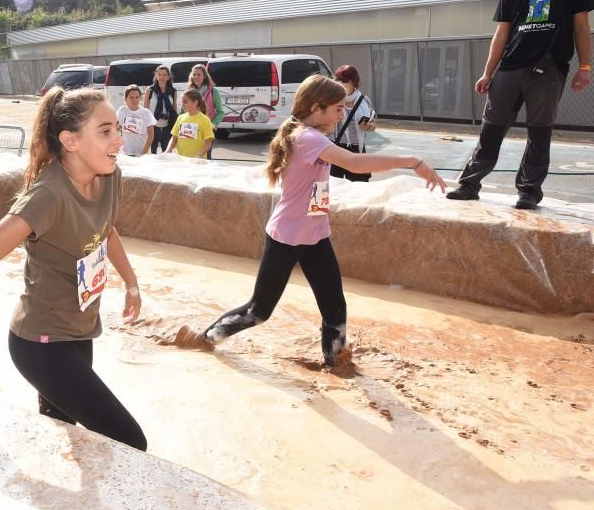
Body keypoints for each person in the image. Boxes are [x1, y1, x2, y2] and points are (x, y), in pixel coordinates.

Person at [0, 87, 147, 451]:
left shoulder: (109, 174)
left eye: (117, 128)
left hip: (79, 330)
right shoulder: (48, 195)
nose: (119, 139)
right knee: (131, 441)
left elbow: (105, 229)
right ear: (69, 141)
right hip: (41, 345)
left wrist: (131, 282)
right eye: (105, 131)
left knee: (67, 437)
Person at [175, 76, 446, 366]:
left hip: (316, 235)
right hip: (286, 238)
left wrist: (319, 215)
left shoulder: (312, 135)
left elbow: (319, 187)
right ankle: (205, 339)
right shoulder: (307, 137)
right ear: (317, 108)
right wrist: (413, 161)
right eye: (338, 109)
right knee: (259, 311)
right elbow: (354, 163)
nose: (342, 115)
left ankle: (336, 362)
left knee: (335, 308)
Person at [446, 0, 593, 210]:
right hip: (510, 68)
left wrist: (585, 66)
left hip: (548, 69)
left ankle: (528, 191)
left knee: (539, 133)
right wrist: (488, 72)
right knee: (491, 130)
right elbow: (501, 34)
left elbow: (581, 27)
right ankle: (469, 184)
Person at [329, 64, 377, 182]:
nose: (341, 84)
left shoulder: (363, 101)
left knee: (359, 187)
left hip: (356, 150)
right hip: (335, 148)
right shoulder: (332, 100)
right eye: (338, 80)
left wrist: (368, 126)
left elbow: (373, 124)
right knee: (331, 187)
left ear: (353, 82)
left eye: (344, 81)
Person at [187, 63, 224, 159]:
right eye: (194, 74)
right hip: (191, 129)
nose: (196, 77)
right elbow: (183, 112)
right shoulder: (189, 91)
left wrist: (213, 124)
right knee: (191, 156)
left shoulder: (213, 91)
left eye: (199, 74)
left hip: (207, 130)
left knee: (206, 158)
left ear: (204, 76)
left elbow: (220, 112)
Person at [167, 89, 214, 159]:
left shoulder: (205, 120)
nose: (182, 104)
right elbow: (174, 138)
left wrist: (199, 155)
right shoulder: (180, 118)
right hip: (180, 161)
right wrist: (168, 150)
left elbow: (208, 143)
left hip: (196, 163)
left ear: (195, 102)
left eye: (185, 102)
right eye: (182, 102)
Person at [143, 65, 177, 154]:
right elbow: (145, 110)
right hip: (153, 127)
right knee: (152, 154)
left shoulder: (173, 91)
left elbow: (174, 110)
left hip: (167, 127)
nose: (162, 77)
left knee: (166, 154)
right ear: (156, 76)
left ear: (168, 77)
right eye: (160, 74)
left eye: (165, 75)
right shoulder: (149, 90)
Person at [116, 85, 155, 156]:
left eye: (137, 97)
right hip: (126, 153)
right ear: (125, 98)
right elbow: (116, 128)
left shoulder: (146, 113)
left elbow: (151, 134)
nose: (135, 100)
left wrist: (144, 152)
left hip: (142, 154)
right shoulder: (122, 111)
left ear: (140, 98)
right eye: (131, 97)